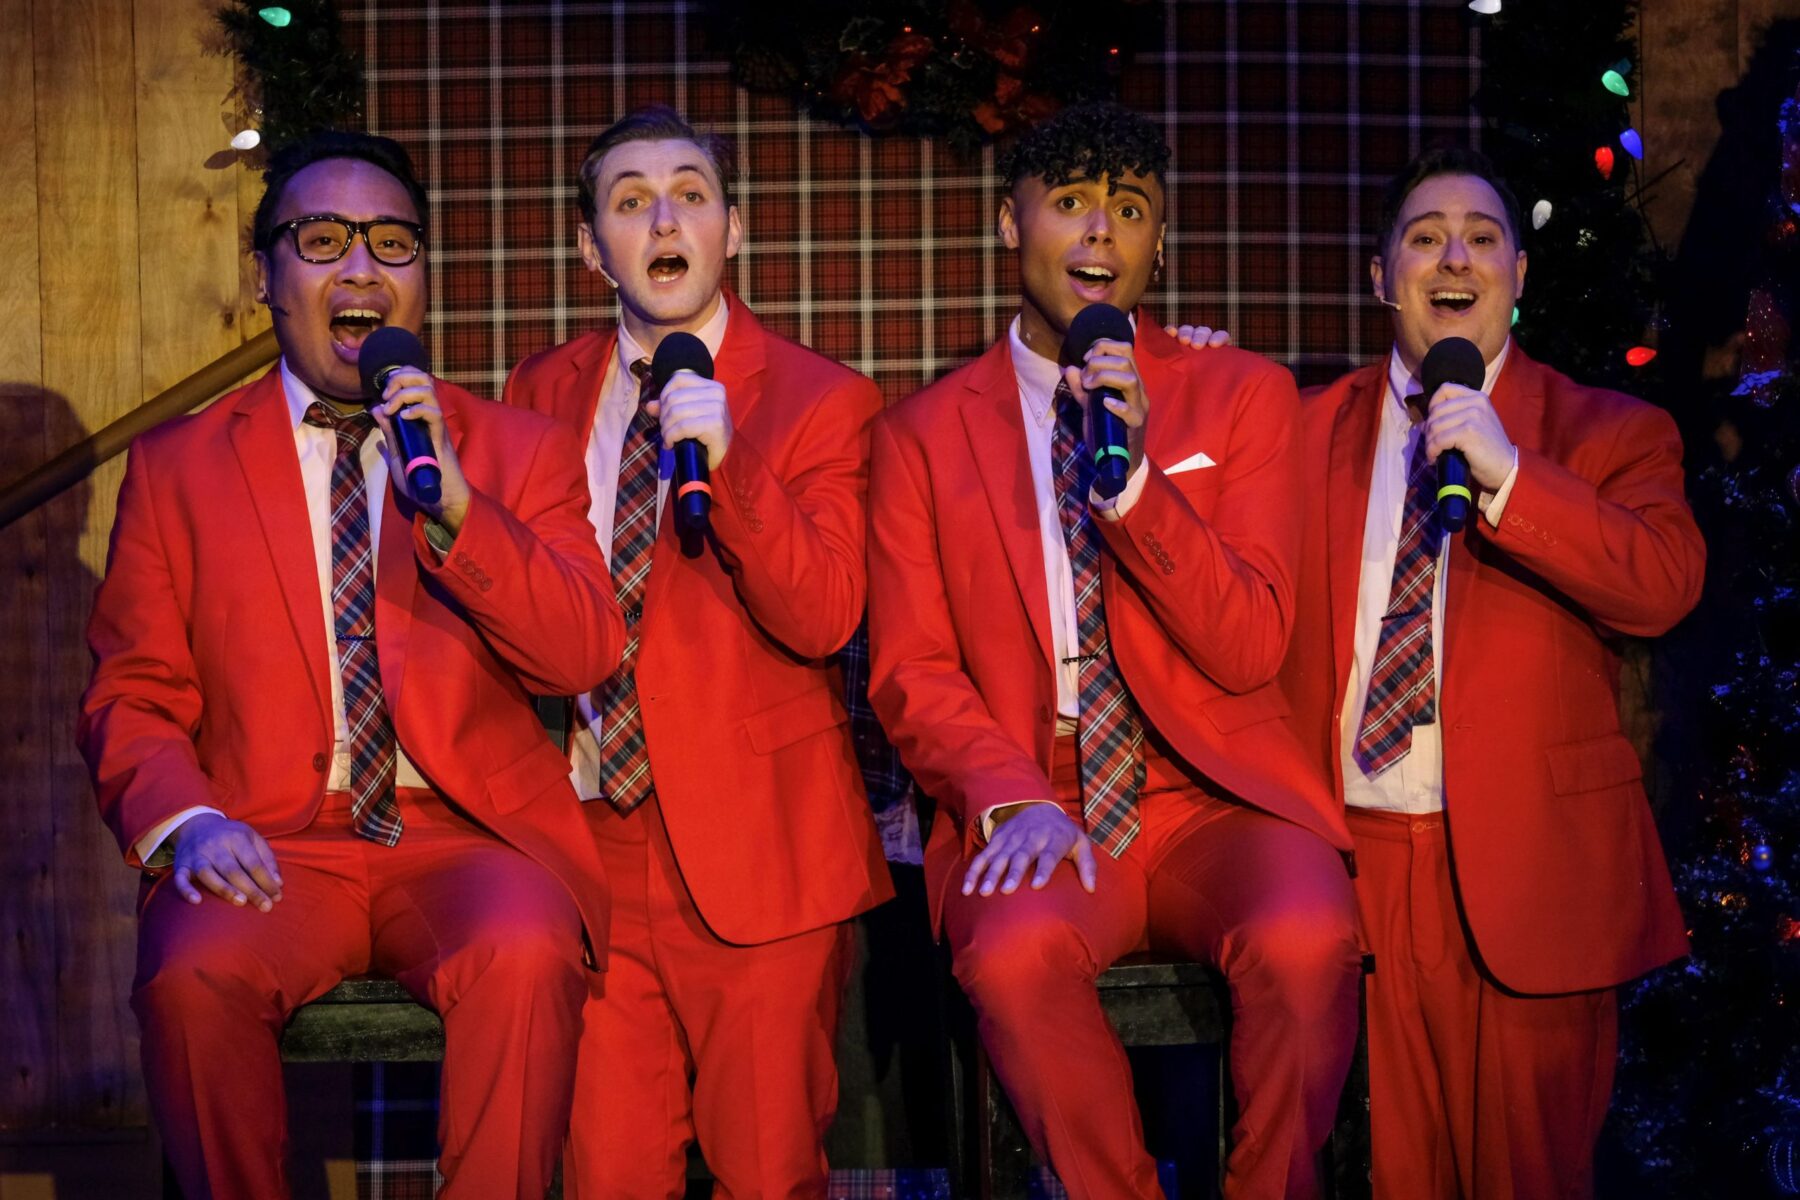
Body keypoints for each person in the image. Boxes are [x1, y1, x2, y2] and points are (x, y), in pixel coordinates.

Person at [76, 131, 623, 1200]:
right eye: (323, 240)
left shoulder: (514, 450)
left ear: (423, 273)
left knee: (525, 951)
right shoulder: (178, 465)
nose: (362, 267)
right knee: (192, 976)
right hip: (268, 839)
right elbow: (131, 692)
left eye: (391, 242)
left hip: (466, 834)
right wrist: (190, 823)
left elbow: (582, 653)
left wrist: (459, 510)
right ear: (264, 276)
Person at [866, 100, 1361, 1200]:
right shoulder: (919, 436)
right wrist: (1008, 797)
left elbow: (1250, 644)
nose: (1100, 232)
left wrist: (1135, 486)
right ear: (1011, 224)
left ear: (1160, 244)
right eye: (1071, 203)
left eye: (1130, 209)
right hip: (1037, 789)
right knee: (1011, 954)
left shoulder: (1240, 395)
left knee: (1308, 935)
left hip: (1211, 791)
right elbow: (913, 670)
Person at [1276, 146, 1704, 1198]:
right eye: (1424, 238)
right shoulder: (1298, 430)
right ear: (1382, 277)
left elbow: (1663, 585)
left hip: (1531, 872)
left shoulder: (1611, 430)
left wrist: (1510, 475)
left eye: (1481, 237)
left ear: (1519, 272)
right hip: (1350, 869)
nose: (1454, 257)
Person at [501, 105, 892, 1199]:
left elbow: (825, 615)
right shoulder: (538, 392)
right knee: (608, 1173)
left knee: (768, 1172)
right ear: (593, 247)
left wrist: (733, 462)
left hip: (757, 846)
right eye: (631, 201)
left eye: (690, 194)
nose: (664, 218)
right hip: (587, 840)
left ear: (732, 231)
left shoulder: (823, 399)